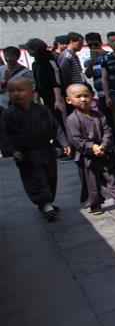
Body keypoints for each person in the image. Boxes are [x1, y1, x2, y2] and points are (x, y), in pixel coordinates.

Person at [0, 76, 70, 220]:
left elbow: (55, 127)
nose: (16, 94)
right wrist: (13, 150)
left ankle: (47, 202)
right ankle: (45, 204)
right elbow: (5, 135)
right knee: (35, 179)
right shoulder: (9, 114)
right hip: (26, 154)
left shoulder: (42, 109)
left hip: (46, 149)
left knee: (50, 177)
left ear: (32, 91)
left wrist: (64, 143)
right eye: (11, 91)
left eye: (20, 90)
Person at [64, 83, 115, 214]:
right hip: (86, 155)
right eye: (78, 96)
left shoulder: (99, 115)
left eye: (86, 95)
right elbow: (75, 139)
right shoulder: (72, 119)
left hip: (105, 152)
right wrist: (92, 147)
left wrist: (103, 146)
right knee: (91, 181)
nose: (83, 99)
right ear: (69, 100)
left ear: (92, 96)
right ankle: (95, 204)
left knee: (114, 177)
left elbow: (107, 131)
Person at [20, 39, 65, 121]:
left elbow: (56, 81)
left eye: (29, 49)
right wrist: (36, 98)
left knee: (58, 120)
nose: (27, 51)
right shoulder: (35, 64)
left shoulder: (50, 62)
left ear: (35, 50)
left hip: (54, 97)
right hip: (43, 97)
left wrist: (58, 100)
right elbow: (37, 83)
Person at [57, 33, 86, 113]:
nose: (81, 46)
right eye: (79, 43)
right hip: (73, 91)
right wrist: (69, 91)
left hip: (78, 89)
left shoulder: (72, 55)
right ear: (71, 41)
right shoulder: (67, 55)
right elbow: (64, 75)